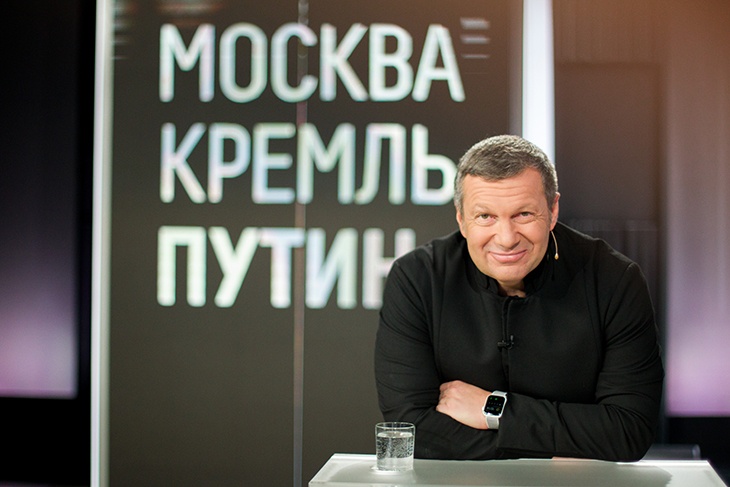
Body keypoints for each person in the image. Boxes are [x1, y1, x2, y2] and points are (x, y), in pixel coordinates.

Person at [374, 134, 664, 462]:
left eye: (523, 214)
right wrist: (561, 445)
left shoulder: (614, 280)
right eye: (485, 216)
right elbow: (412, 431)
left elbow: (629, 431)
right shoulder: (417, 278)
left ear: (552, 210)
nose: (506, 238)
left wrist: (494, 409)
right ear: (461, 219)